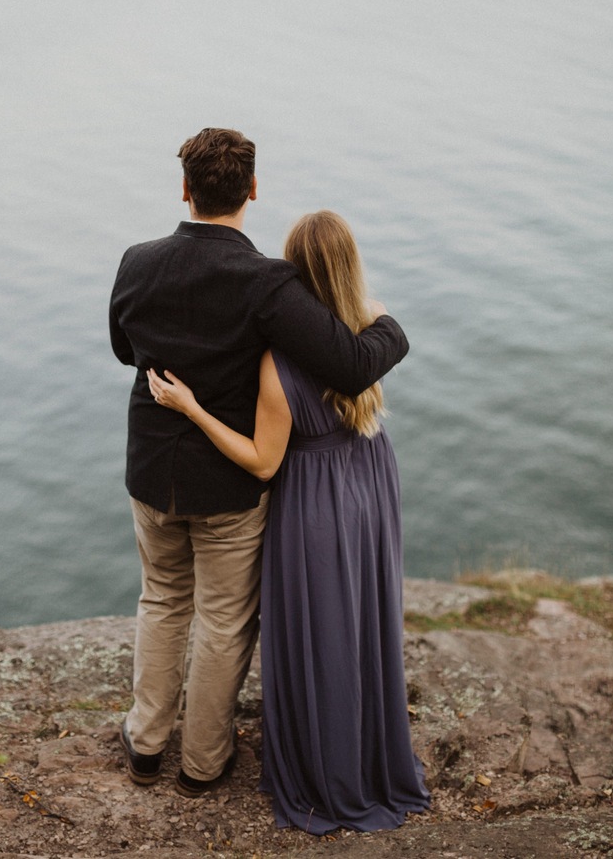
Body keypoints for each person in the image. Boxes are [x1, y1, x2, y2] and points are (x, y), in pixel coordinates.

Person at [109, 129, 409, 798]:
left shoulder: (135, 262)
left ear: (184, 187)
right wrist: (389, 327)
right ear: (251, 190)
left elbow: (124, 351)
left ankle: (147, 745)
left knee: (160, 599)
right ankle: (203, 764)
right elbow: (351, 366)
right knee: (222, 620)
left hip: (152, 469)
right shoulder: (268, 283)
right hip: (229, 484)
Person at [147, 209, 430, 833]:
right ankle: (370, 750)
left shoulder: (278, 361)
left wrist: (193, 408)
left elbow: (261, 459)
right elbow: (382, 340)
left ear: (292, 268)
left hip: (315, 497)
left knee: (321, 628)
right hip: (371, 479)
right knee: (362, 620)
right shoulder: (369, 322)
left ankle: (327, 769)